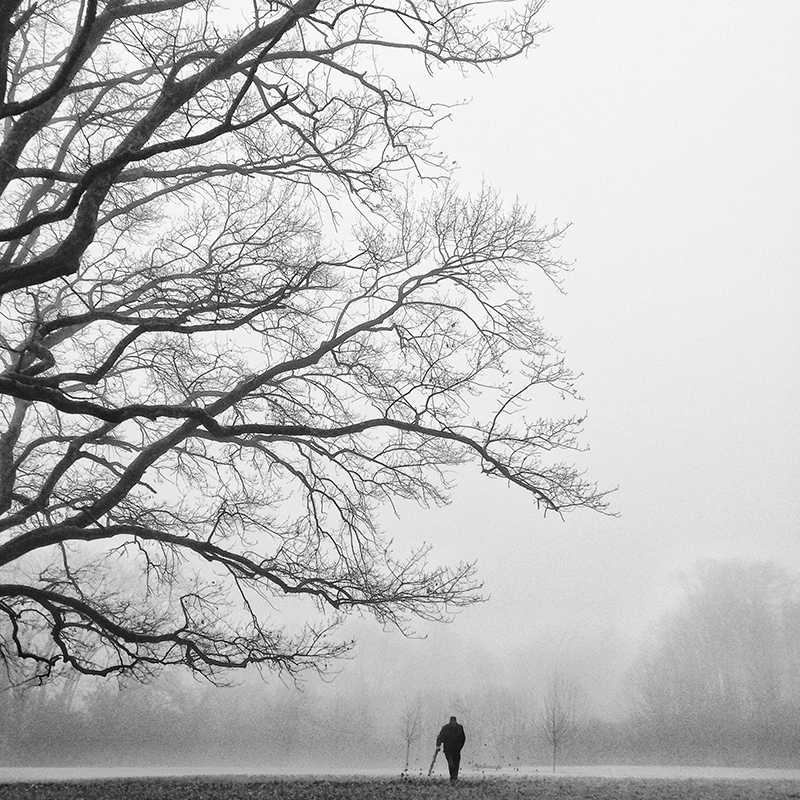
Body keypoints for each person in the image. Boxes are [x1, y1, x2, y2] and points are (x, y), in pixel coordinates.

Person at [436, 715, 466, 781]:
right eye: (452, 722)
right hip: (448, 749)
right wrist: (438, 745)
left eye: (454, 722)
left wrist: (460, 747)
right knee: (451, 763)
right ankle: (452, 777)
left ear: (455, 722)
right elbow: (440, 737)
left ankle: (455, 777)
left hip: (456, 750)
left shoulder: (459, 728)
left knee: (456, 763)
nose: (453, 724)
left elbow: (463, 738)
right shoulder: (445, 728)